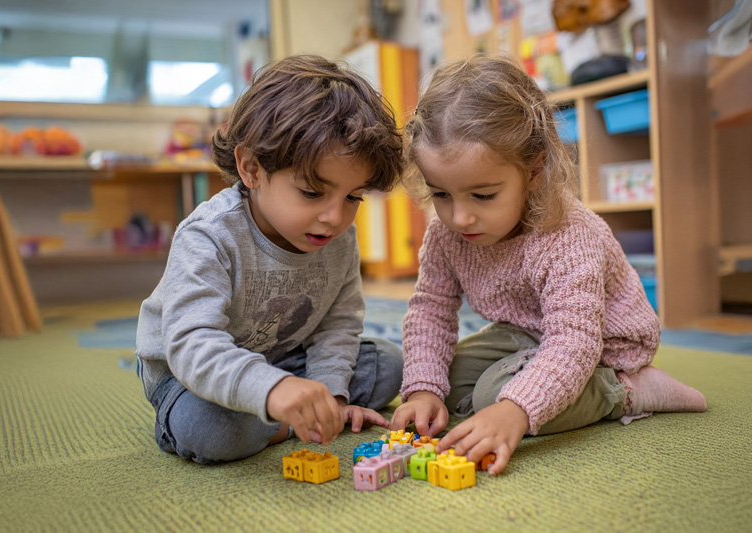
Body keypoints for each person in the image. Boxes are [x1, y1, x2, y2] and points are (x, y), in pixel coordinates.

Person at [389, 54, 706, 475]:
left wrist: (516, 410)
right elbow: (430, 308)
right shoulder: (446, 233)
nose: (459, 217)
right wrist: (423, 389)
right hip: (528, 331)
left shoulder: (568, 236)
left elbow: (574, 341)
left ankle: (625, 391)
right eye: (442, 194)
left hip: (601, 345)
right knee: (444, 382)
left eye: (482, 196)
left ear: (534, 171)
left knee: (494, 399)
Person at [136, 55, 405, 464]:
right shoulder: (209, 236)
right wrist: (274, 390)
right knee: (211, 428)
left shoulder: (339, 236)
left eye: (353, 197)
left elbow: (339, 324)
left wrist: (330, 395)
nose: (335, 217)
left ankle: (293, 412)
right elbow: (192, 345)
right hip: (190, 374)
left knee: (389, 363)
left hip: (283, 358)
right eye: (313, 193)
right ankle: (285, 414)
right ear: (251, 168)